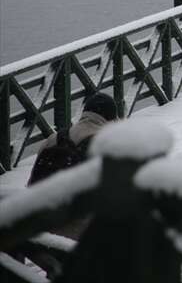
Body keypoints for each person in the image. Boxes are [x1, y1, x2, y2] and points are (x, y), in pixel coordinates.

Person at [27, 92, 119, 241]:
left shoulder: (53, 139)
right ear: (111, 118)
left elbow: (31, 185)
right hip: (82, 237)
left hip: (42, 230)